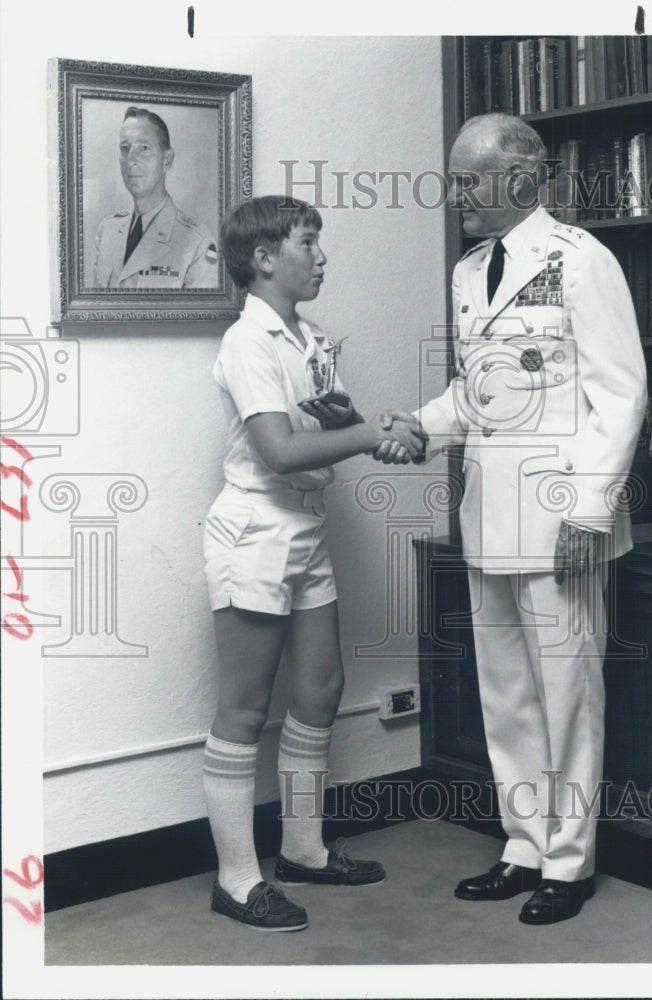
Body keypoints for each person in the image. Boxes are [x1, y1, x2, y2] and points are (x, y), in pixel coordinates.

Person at [412, 113, 647, 924]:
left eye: (467, 181)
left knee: (567, 693)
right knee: (506, 691)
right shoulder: (469, 270)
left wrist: (588, 507)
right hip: (488, 513)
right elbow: (480, 391)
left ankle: (570, 861)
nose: (456, 196)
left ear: (520, 178)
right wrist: (421, 423)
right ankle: (522, 843)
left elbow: (622, 393)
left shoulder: (581, 261)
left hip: (562, 520)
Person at [202, 195, 426, 931]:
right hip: (255, 531)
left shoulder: (312, 336)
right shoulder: (247, 340)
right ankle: (237, 881)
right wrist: (368, 435)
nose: (322, 255)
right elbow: (279, 449)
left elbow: (330, 421)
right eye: (308, 242)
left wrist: (386, 430)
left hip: (305, 526)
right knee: (242, 707)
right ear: (265, 259)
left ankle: (303, 850)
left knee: (320, 689)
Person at [91, 106, 219, 289]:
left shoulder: (198, 243)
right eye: (124, 148)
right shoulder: (107, 231)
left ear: (167, 160)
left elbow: (200, 317)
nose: (131, 159)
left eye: (144, 148)